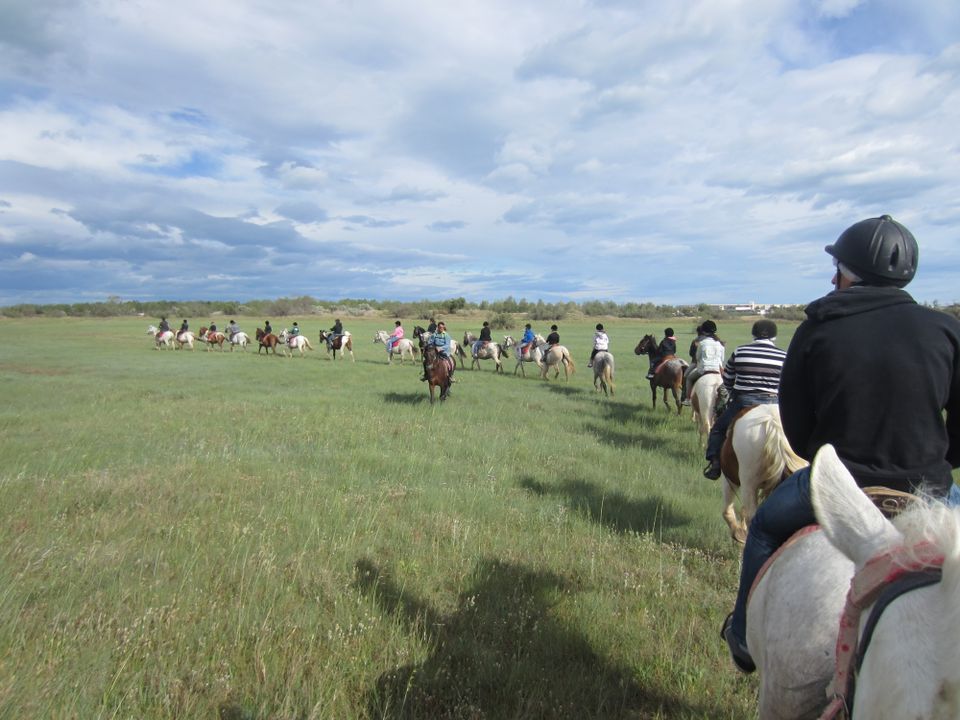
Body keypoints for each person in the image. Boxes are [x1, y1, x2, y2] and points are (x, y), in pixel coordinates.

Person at [721, 214, 960, 675]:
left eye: (840, 268)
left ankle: (744, 638)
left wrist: (825, 459)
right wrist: (938, 461)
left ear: (850, 273)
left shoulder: (818, 325)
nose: (834, 277)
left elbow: (795, 421)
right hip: (929, 486)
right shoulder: (946, 329)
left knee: (766, 527)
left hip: (840, 483)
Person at [702, 320, 786, 479]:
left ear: (753, 334)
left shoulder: (740, 351)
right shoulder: (783, 356)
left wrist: (734, 392)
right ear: (774, 336)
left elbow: (727, 379)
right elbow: (786, 385)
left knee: (718, 429)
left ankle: (715, 464)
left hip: (744, 401)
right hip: (774, 403)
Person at [683, 321, 724, 404]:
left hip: (704, 369)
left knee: (689, 378)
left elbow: (698, 357)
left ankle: (688, 399)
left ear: (703, 331)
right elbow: (722, 359)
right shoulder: (720, 343)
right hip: (717, 370)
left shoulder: (701, 343)